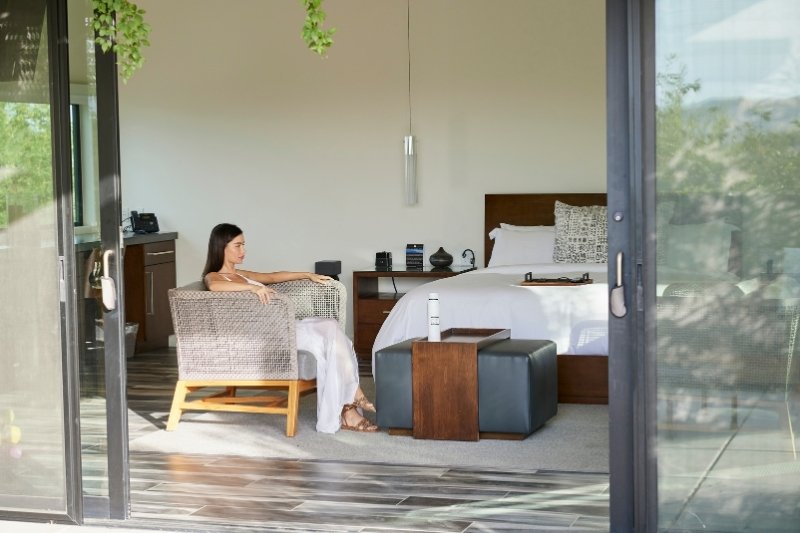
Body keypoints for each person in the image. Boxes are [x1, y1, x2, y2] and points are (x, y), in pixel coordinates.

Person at [202, 223, 377, 433]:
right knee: (332, 336)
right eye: (237, 245)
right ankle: (352, 398)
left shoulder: (241, 274)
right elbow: (214, 287)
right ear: (221, 246)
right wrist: (251, 288)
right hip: (269, 335)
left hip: (283, 327)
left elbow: (274, 277)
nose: (243, 251)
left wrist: (307, 275)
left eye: (244, 245)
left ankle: (349, 406)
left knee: (332, 331)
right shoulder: (215, 276)